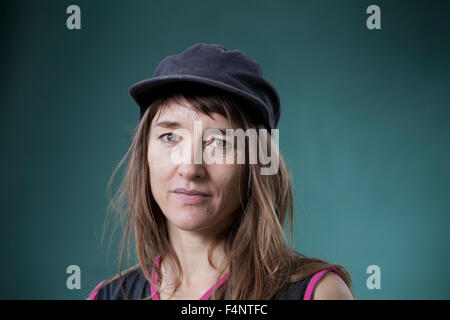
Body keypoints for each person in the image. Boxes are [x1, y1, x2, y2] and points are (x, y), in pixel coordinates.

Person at [87, 43, 355, 300]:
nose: (190, 168)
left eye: (220, 142)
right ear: (145, 153)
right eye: (170, 137)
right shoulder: (107, 296)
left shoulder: (319, 293)